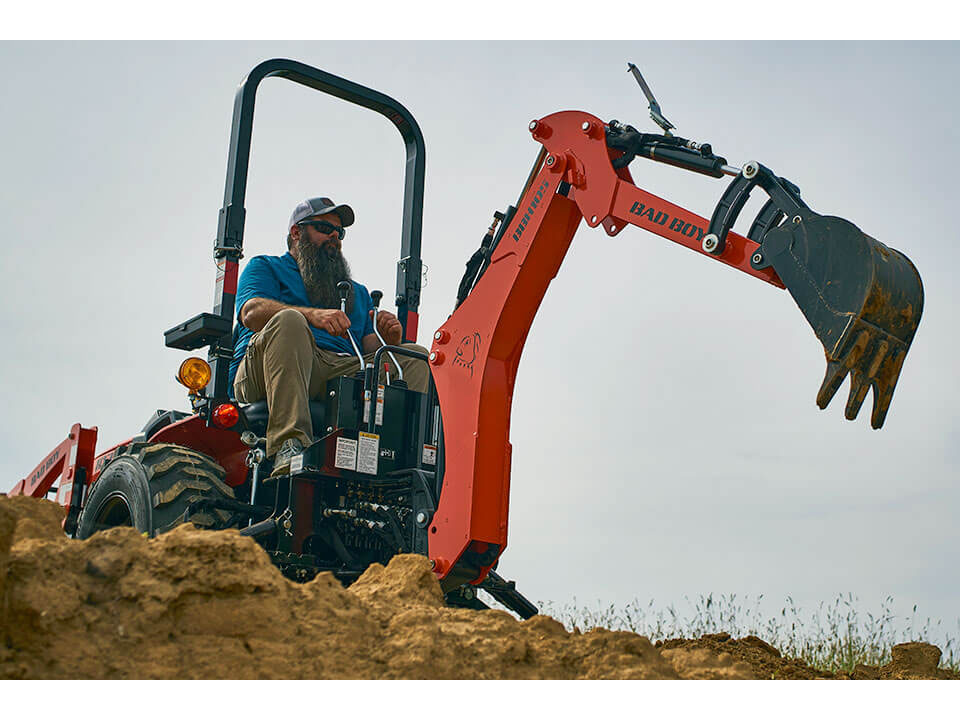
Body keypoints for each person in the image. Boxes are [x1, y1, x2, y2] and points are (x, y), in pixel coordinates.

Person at [229, 196, 430, 476]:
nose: (335, 236)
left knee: (414, 356)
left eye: (340, 232)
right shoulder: (266, 267)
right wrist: (313, 316)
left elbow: (367, 346)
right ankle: (289, 445)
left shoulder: (354, 292)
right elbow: (251, 312)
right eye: (324, 228)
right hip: (265, 371)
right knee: (290, 321)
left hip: (333, 370)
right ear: (297, 232)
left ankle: (405, 462)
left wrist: (389, 338)